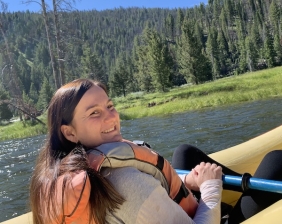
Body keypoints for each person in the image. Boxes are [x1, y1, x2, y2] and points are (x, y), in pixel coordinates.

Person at [30, 78, 223, 224]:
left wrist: (185, 181)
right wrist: (210, 187)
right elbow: (138, 193)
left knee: (185, 152)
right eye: (94, 113)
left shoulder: (71, 173)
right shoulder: (127, 184)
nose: (111, 118)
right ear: (70, 132)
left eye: (110, 106)